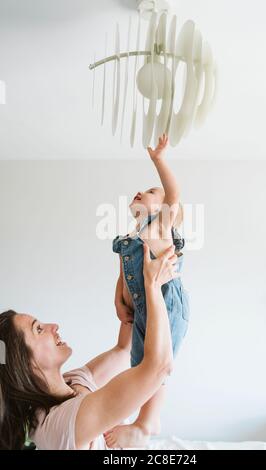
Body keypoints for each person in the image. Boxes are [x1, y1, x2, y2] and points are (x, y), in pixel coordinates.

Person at [0, 243, 178, 450]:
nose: (53, 326)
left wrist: (124, 281)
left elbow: (123, 349)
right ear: (24, 364)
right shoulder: (57, 425)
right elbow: (158, 367)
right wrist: (153, 285)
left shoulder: (72, 382)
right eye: (38, 330)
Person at [109, 134, 190, 448]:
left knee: (155, 361)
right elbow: (125, 275)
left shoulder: (160, 227)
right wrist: (118, 299)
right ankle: (145, 417)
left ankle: (146, 422)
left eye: (151, 192)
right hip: (144, 309)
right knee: (142, 363)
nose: (142, 191)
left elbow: (174, 193)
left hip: (167, 303)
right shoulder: (129, 238)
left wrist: (158, 159)